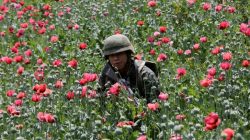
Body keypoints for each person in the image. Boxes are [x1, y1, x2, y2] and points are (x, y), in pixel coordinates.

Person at [99, 34, 160, 103]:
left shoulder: (145, 74)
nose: (116, 58)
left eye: (119, 54)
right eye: (112, 55)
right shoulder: (107, 74)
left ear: (127, 54)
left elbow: (155, 106)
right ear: (108, 57)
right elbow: (99, 102)